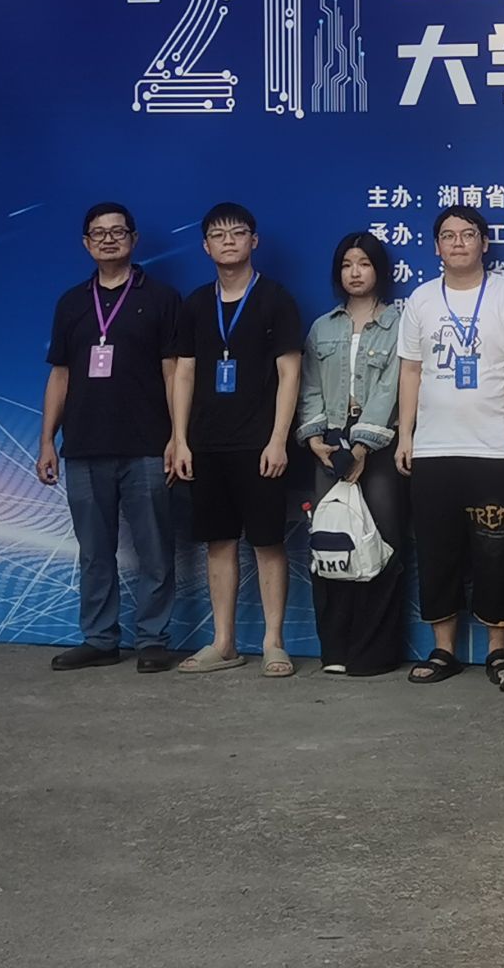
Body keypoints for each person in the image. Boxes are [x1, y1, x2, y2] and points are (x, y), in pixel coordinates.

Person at [37, 203, 185, 672]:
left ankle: (153, 640)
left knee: (154, 550)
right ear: (86, 243)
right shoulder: (71, 303)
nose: (108, 239)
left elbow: (174, 372)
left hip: (147, 445)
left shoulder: (161, 298)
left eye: (117, 231)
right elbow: (60, 375)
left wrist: (177, 437)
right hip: (83, 446)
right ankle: (100, 639)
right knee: (94, 552)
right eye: (98, 233)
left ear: (133, 239)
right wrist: (46, 441)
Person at [396, 204, 504, 686]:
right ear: (436, 246)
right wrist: (406, 433)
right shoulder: (420, 299)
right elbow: (410, 370)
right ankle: (443, 650)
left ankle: (499, 651)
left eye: (468, 234)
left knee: (497, 552)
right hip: (434, 448)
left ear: (484, 243)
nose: (458, 243)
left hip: (495, 447)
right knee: (438, 551)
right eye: (449, 236)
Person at [170, 202, 304, 677]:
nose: (228, 241)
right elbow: (184, 373)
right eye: (218, 234)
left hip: (260, 445)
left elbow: (290, 374)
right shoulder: (195, 304)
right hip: (207, 443)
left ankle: (273, 642)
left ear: (254, 241)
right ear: (205, 247)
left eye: (238, 232)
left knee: (268, 543)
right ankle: (224, 643)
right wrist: (180, 439)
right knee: (218, 543)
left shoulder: (275, 298)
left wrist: (278, 439)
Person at [294, 232, 408, 677]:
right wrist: (314, 438)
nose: (355, 272)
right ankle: (336, 650)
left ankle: (373, 653)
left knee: (381, 546)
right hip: (329, 445)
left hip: (379, 443)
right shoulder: (322, 327)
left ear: (379, 269)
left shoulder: (399, 323)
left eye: (364, 263)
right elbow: (309, 385)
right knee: (331, 543)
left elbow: (393, 388)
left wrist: (362, 446)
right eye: (346, 264)